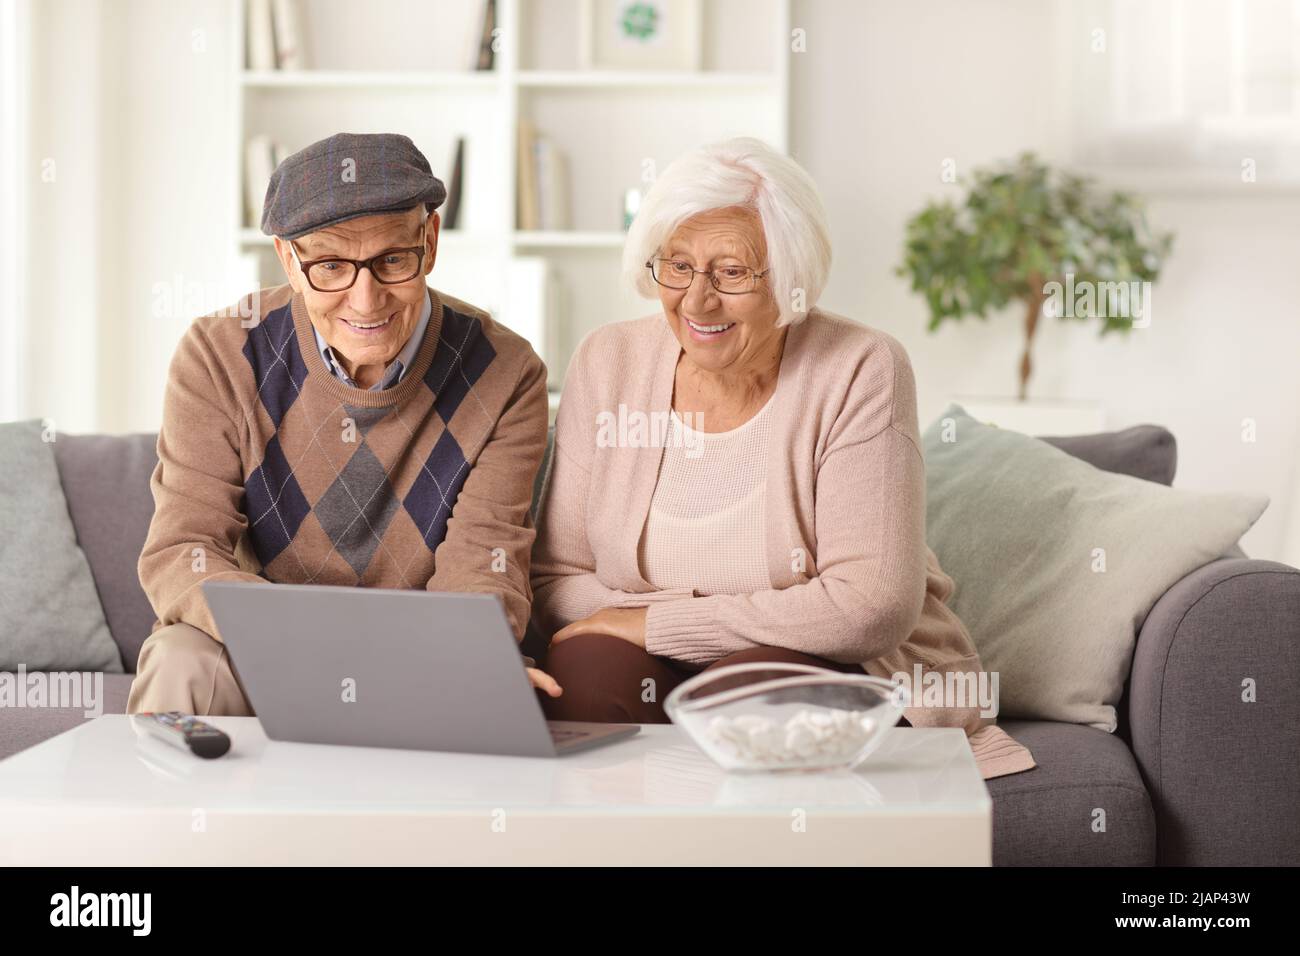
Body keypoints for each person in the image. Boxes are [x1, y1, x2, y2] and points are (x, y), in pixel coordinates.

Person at [529, 137, 1034, 779]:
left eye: (732, 272)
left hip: (822, 661)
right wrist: (646, 632)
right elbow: (555, 579)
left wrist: (657, 624)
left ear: (792, 277)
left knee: (747, 701)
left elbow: (869, 607)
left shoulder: (861, 367)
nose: (696, 300)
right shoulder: (609, 361)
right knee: (582, 676)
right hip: (649, 667)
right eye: (676, 265)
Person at [127, 132, 556, 716]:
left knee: (482, 682)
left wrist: (450, 655)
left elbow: (484, 567)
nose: (366, 300)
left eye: (391, 261)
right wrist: (322, 643)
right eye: (330, 265)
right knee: (181, 660)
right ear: (287, 259)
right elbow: (184, 552)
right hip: (270, 647)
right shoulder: (219, 354)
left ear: (429, 242)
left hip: (423, 657)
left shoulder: (506, 370)